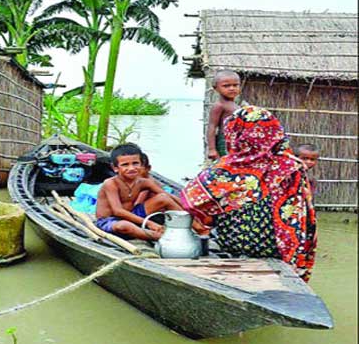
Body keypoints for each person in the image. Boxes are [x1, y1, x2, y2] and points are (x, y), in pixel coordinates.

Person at [180, 106, 317, 282]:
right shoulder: (293, 167)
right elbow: (307, 217)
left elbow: (192, 200)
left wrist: (207, 217)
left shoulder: (227, 167)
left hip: (234, 243)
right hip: (277, 247)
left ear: (235, 134)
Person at [95, 144, 184, 241]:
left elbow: (168, 196)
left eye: (135, 163)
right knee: (124, 226)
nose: (132, 168)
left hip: (132, 215)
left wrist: (192, 212)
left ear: (142, 164)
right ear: (115, 168)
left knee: (163, 198)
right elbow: (118, 211)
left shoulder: (143, 182)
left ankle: (198, 230)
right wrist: (149, 223)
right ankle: (165, 238)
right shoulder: (111, 183)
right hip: (110, 221)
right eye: (125, 165)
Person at [206, 70, 242, 160]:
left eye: (235, 85)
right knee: (225, 165)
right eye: (226, 86)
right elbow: (212, 126)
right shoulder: (219, 105)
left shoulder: (236, 105)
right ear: (216, 88)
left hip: (236, 141)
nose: (232, 88)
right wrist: (212, 149)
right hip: (225, 141)